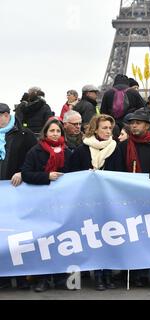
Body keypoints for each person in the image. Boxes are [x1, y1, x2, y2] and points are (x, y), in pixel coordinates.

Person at [114, 110, 150, 291]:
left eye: (138, 123)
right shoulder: (122, 147)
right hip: (128, 199)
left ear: (147, 126)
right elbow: (115, 173)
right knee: (133, 236)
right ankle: (135, 272)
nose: (134, 125)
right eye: (132, 123)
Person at [69, 115, 120, 290]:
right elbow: (71, 174)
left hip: (109, 200)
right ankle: (98, 275)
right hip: (87, 201)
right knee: (94, 238)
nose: (107, 131)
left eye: (109, 128)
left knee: (109, 237)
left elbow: (122, 173)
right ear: (95, 129)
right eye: (104, 128)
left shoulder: (116, 147)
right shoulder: (82, 150)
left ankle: (108, 274)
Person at [21, 118, 71, 292]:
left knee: (60, 240)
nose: (55, 134)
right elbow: (26, 174)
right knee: (43, 241)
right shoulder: (35, 151)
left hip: (62, 203)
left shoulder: (68, 151)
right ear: (45, 133)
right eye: (52, 131)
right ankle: (42, 278)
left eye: (58, 131)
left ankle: (60, 278)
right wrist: (47, 177)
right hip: (41, 203)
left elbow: (75, 175)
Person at [0, 103, 37, 290]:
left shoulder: (25, 134)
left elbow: (35, 158)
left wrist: (22, 172)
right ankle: (4, 277)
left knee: (18, 235)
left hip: (17, 192)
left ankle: (22, 276)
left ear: (6, 115)